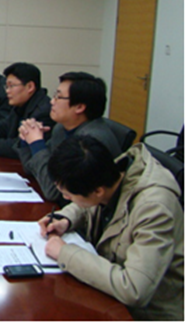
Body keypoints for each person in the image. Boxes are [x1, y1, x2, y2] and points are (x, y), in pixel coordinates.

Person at [39, 135, 183, 321]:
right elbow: (90, 203)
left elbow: (134, 289)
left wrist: (65, 253)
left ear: (98, 191)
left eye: (69, 195)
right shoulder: (109, 171)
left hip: (146, 312)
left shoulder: (154, 209)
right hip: (108, 294)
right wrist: (65, 218)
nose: (66, 199)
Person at [16, 72, 122, 203]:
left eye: (59, 97)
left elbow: (54, 191)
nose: (52, 101)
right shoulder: (61, 128)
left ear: (79, 107)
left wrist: (37, 144)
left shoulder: (91, 142)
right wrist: (27, 138)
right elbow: (31, 168)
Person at [0, 62, 54, 159]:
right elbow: (5, 126)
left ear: (30, 87)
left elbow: (19, 147)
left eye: (11, 86)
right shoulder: (21, 104)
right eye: (6, 86)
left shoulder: (43, 112)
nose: (7, 91)